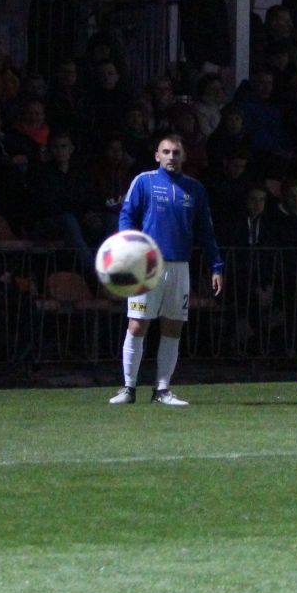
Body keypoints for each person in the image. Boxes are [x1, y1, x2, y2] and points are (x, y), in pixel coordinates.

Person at [109, 134, 224, 407]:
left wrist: (216, 265)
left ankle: (162, 390)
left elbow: (206, 230)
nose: (171, 156)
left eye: (176, 152)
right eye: (166, 151)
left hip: (180, 266)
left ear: (184, 156)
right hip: (147, 265)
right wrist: (130, 246)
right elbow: (127, 215)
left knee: (173, 326)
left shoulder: (194, 188)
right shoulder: (144, 181)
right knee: (137, 324)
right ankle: (128, 388)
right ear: (157, 155)